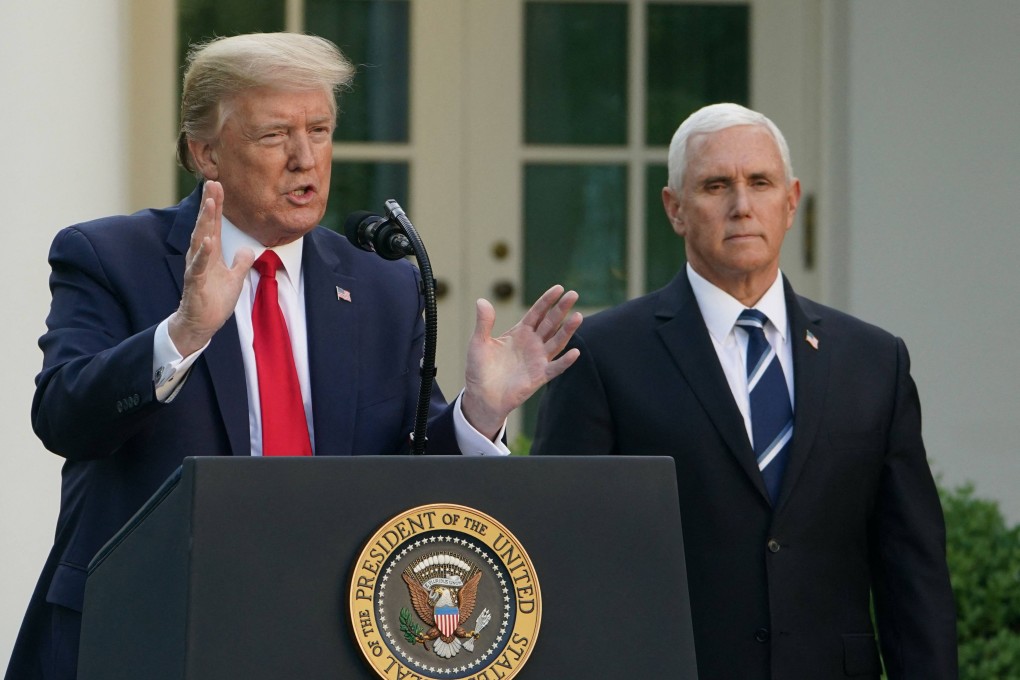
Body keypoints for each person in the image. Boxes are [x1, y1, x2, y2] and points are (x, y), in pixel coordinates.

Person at [7, 33, 581, 680]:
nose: (305, 158)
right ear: (205, 153)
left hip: (320, 634)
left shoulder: (382, 289)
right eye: (274, 136)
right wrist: (183, 334)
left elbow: (409, 475)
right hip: (148, 631)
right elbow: (63, 416)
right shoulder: (111, 257)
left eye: (320, 129)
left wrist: (480, 414)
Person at [532, 103, 956, 679]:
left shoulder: (874, 361)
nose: (741, 205)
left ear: (791, 201)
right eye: (715, 185)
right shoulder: (603, 356)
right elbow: (562, 555)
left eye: (760, 182)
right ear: (675, 208)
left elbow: (913, 569)